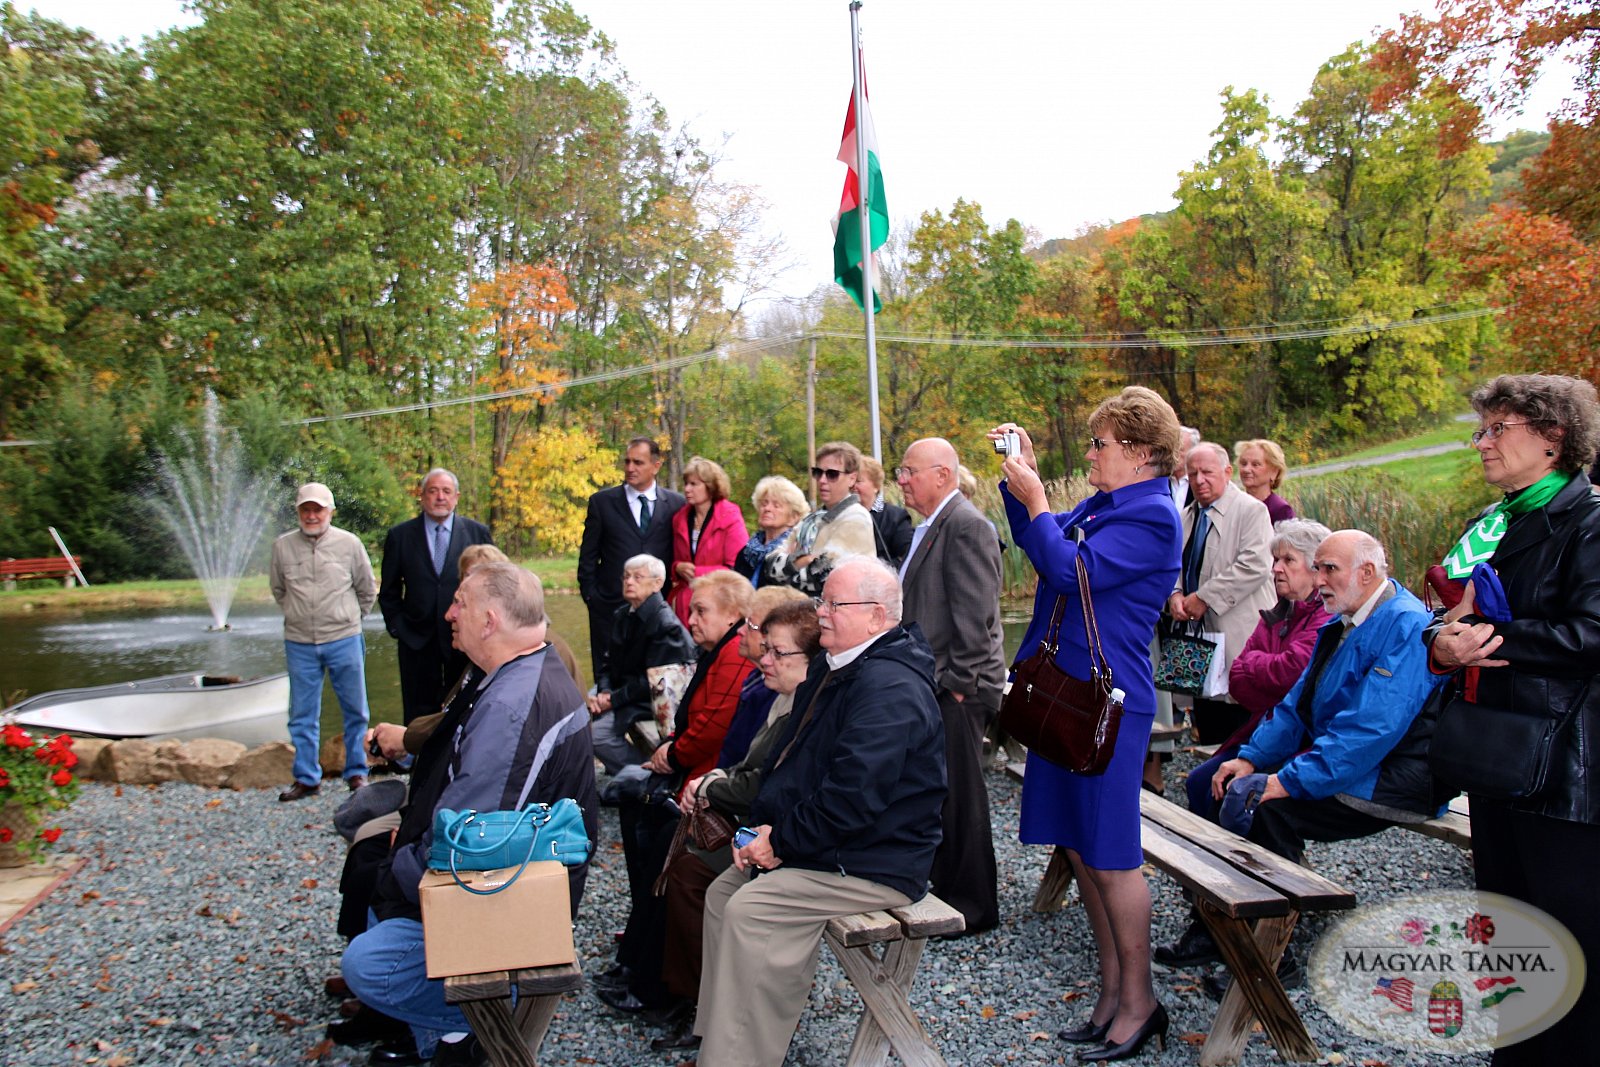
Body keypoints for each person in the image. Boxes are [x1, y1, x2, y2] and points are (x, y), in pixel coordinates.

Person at [992, 388, 1183, 1062]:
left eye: (1101, 443)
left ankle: (1141, 1002)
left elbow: (1071, 569)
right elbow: (1037, 543)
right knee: (1079, 847)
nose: (1092, 453)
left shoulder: (1154, 515)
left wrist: (1041, 501)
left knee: (1110, 854)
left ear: (1140, 452)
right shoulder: (1106, 504)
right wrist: (1024, 486)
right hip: (1061, 696)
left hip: (1104, 706)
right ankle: (1111, 992)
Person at [693, 558, 946, 1067]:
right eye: (821, 601)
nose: (821, 614)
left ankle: (741, 1057)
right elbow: (800, 774)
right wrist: (766, 829)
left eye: (834, 604)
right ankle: (719, 1043)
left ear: (877, 616)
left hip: (879, 860)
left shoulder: (889, 688)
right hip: (846, 843)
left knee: (753, 910)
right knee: (724, 892)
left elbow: (853, 798)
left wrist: (780, 843)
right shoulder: (843, 670)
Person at [342, 563, 597, 1067]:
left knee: (368, 964)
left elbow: (469, 844)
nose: (448, 612)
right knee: (374, 878)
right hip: (514, 873)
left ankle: (471, 1028)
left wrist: (401, 867)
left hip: (513, 899)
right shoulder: (523, 670)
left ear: (489, 620)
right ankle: (440, 1041)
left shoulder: (513, 704)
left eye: (460, 602)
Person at [1424, 374, 1600, 1065]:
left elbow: (1591, 634)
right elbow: (1444, 619)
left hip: (1563, 772)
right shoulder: (1491, 522)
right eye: (1482, 429)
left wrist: (1494, 635)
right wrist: (1440, 642)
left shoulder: (1588, 520)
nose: (1482, 443)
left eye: (1498, 428)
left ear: (1553, 438)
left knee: (1571, 946)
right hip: (1494, 758)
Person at [1155, 519, 1333, 970]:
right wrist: (1265, 673)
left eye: (1288, 561)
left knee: (1254, 803)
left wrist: (1264, 672)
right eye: (1275, 560)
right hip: (1265, 731)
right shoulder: (1278, 614)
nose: (1276, 569)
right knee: (1200, 784)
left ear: (1316, 571)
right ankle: (1211, 918)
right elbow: (1242, 678)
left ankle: (1268, 929)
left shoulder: (1324, 618)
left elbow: (1290, 678)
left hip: (1302, 743)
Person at [600, 570, 755, 1020]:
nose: (691, 619)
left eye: (701, 610)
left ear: (734, 615)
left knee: (661, 836)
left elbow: (713, 728)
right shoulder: (719, 653)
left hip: (709, 786)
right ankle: (638, 955)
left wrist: (674, 754)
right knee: (637, 807)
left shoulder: (733, 657)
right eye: (690, 610)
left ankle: (654, 976)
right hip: (700, 778)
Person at [896, 437, 1007, 935]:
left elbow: (976, 615)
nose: (901, 480)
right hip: (933, 684)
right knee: (940, 795)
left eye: (909, 471)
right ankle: (944, 893)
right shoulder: (933, 525)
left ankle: (973, 908)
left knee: (962, 801)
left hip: (955, 689)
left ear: (942, 475)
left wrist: (959, 686)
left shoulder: (965, 526)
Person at [268, 482, 377, 802]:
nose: (312, 515)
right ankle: (306, 778)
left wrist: (350, 619)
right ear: (298, 512)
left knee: (356, 710)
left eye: (318, 509)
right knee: (302, 713)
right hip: (300, 641)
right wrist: (297, 614)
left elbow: (367, 589)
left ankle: (357, 771)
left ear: (330, 511)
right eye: (306, 509)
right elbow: (278, 589)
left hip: (344, 637)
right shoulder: (282, 546)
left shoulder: (349, 543)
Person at [1168, 441, 1276, 745]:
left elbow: (1255, 564)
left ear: (1227, 472)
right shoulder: (1186, 516)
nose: (1199, 480)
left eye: (1207, 472)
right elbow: (1174, 564)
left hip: (1238, 635)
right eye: (1192, 474)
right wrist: (1175, 595)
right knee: (1206, 717)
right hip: (1197, 638)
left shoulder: (1251, 511)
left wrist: (1204, 597)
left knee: (1240, 720)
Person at [378, 468, 493, 724]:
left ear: (457, 497)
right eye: (433, 491)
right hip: (416, 640)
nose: (440, 497)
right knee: (418, 710)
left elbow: (494, 585)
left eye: (446, 491)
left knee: (466, 705)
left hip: (466, 638)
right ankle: (418, 761)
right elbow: (389, 591)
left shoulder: (477, 533)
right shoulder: (400, 536)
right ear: (422, 496)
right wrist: (398, 629)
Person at [577, 436, 685, 681]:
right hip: (608, 606)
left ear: (656, 466)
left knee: (654, 675)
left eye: (638, 462)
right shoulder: (602, 503)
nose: (630, 468)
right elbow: (588, 557)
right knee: (608, 677)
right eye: (627, 462)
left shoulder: (676, 504)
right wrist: (592, 597)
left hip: (659, 608)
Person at [585, 554, 697, 775]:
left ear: (657, 583)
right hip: (626, 691)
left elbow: (652, 683)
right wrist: (604, 691)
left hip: (652, 700)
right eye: (626, 577)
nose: (629, 582)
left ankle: (644, 774)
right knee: (581, 705)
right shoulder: (622, 615)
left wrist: (612, 699)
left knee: (597, 736)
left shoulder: (665, 625)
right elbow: (607, 664)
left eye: (637, 577)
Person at [766, 440, 875, 596]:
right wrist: (800, 561)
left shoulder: (856, 518)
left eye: (832, 474)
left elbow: (823, 575)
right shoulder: (811, 519)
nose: (822, 480)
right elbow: (769, 566)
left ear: (852, 478)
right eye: (818, 472)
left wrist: (790, 564)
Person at [669, 456, 748, 625]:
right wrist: (677, 568)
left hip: (719, 603)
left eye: (694, 484)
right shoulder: (679, 518)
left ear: (711, 487)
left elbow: (737, 566)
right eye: (686, 483)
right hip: (683, 606)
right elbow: (675, 559)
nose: (687, 489)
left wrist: (697, 573)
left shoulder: (730, 515)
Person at [733, 476, 808, 587]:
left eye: (776, 505)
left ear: (793, 517)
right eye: (764, 504)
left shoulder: (795, 551)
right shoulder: (747, 551)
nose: (767, 508)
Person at [857, 456, 913, 568]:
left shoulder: (895, 518)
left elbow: (907, 558)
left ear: (876, 486)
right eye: (851, 480)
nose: (853, 486)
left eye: (858, 481)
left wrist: (873, 571)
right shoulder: (840, 517)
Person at [1234, 439, 1295, 524]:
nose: (1246, 469)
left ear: (1274, 472)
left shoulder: (1280, 510)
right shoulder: (1234, 505)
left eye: (1255, 464)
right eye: (1243, 464)